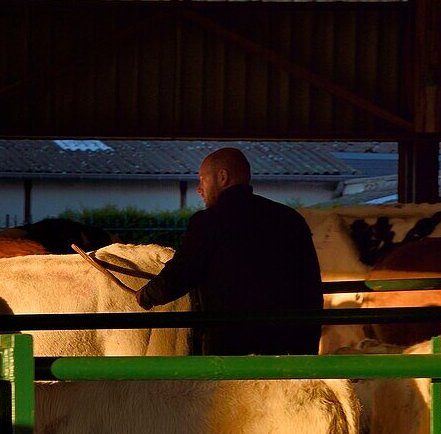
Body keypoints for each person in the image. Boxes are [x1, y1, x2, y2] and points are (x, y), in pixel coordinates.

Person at [135, 147, 323, 355]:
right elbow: (311, 286)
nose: (199, 188)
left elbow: (179, 275)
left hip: (233, 350)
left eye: (202, 179)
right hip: (293, 349)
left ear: (222, 177)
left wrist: (146, 295)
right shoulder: (291, 219)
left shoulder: (209, 223)